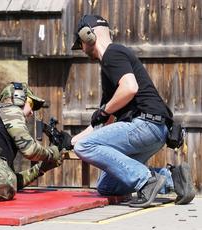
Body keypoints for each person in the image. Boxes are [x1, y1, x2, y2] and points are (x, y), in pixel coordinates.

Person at [71, 15, 195, 208]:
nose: (82, 49)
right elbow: (106, 121)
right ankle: (172, 179)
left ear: (87, 36)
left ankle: (145, 180)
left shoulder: (113, 54)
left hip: (144, 125)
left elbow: (129, 88)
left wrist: (101, 114)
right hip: (156, 131)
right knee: (107, 186)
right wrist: (74, 139)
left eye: (80, 44)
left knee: (84, 147)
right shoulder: (111, 66)